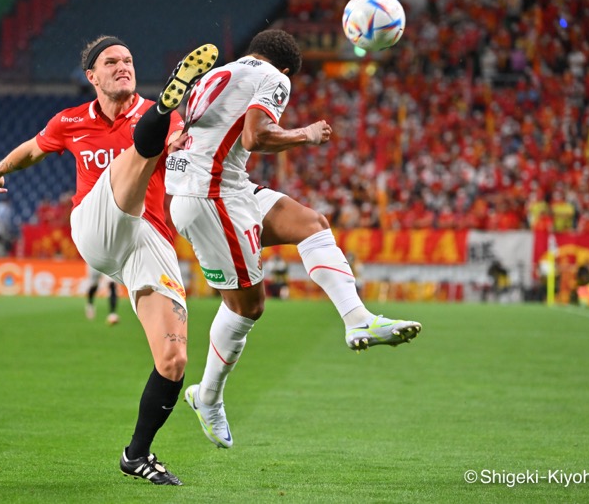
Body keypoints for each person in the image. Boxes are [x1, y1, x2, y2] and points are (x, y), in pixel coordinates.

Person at [165, 29, 421, 449]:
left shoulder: (214, 75)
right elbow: (256, 136)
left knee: (312, 223)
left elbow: (189, 134)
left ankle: (357, 320)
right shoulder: (275, 78)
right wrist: (307, 134)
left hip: (225, 188)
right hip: (211, 197)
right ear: (284, 69)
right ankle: (206, 397)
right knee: (248, 308)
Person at [0, 36, 218, 485]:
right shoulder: (71, 120)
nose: (122, 66)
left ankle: (137, 454)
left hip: (147, 240)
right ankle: (160, 114)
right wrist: (1, 167)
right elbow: (34, 149)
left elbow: (187, 148)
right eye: (111, 61)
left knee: (173, 360)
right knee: (138, 150)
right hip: (96, 225)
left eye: (128, 60)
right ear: (91, 77)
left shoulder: (163, 120)